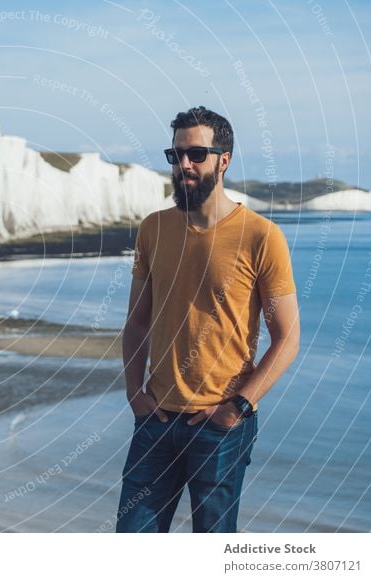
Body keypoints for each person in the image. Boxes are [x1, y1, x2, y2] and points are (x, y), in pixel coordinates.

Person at [116, 106, 299, 533]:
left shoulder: (261, 237)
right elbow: (137, 322)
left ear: (224, 159)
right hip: (155, 422)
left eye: (196, 154)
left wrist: (238, 406)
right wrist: (133, 391)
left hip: (220, 428)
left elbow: (287, 338)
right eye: (176, 154)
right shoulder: (153, 229)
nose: (183, 164)